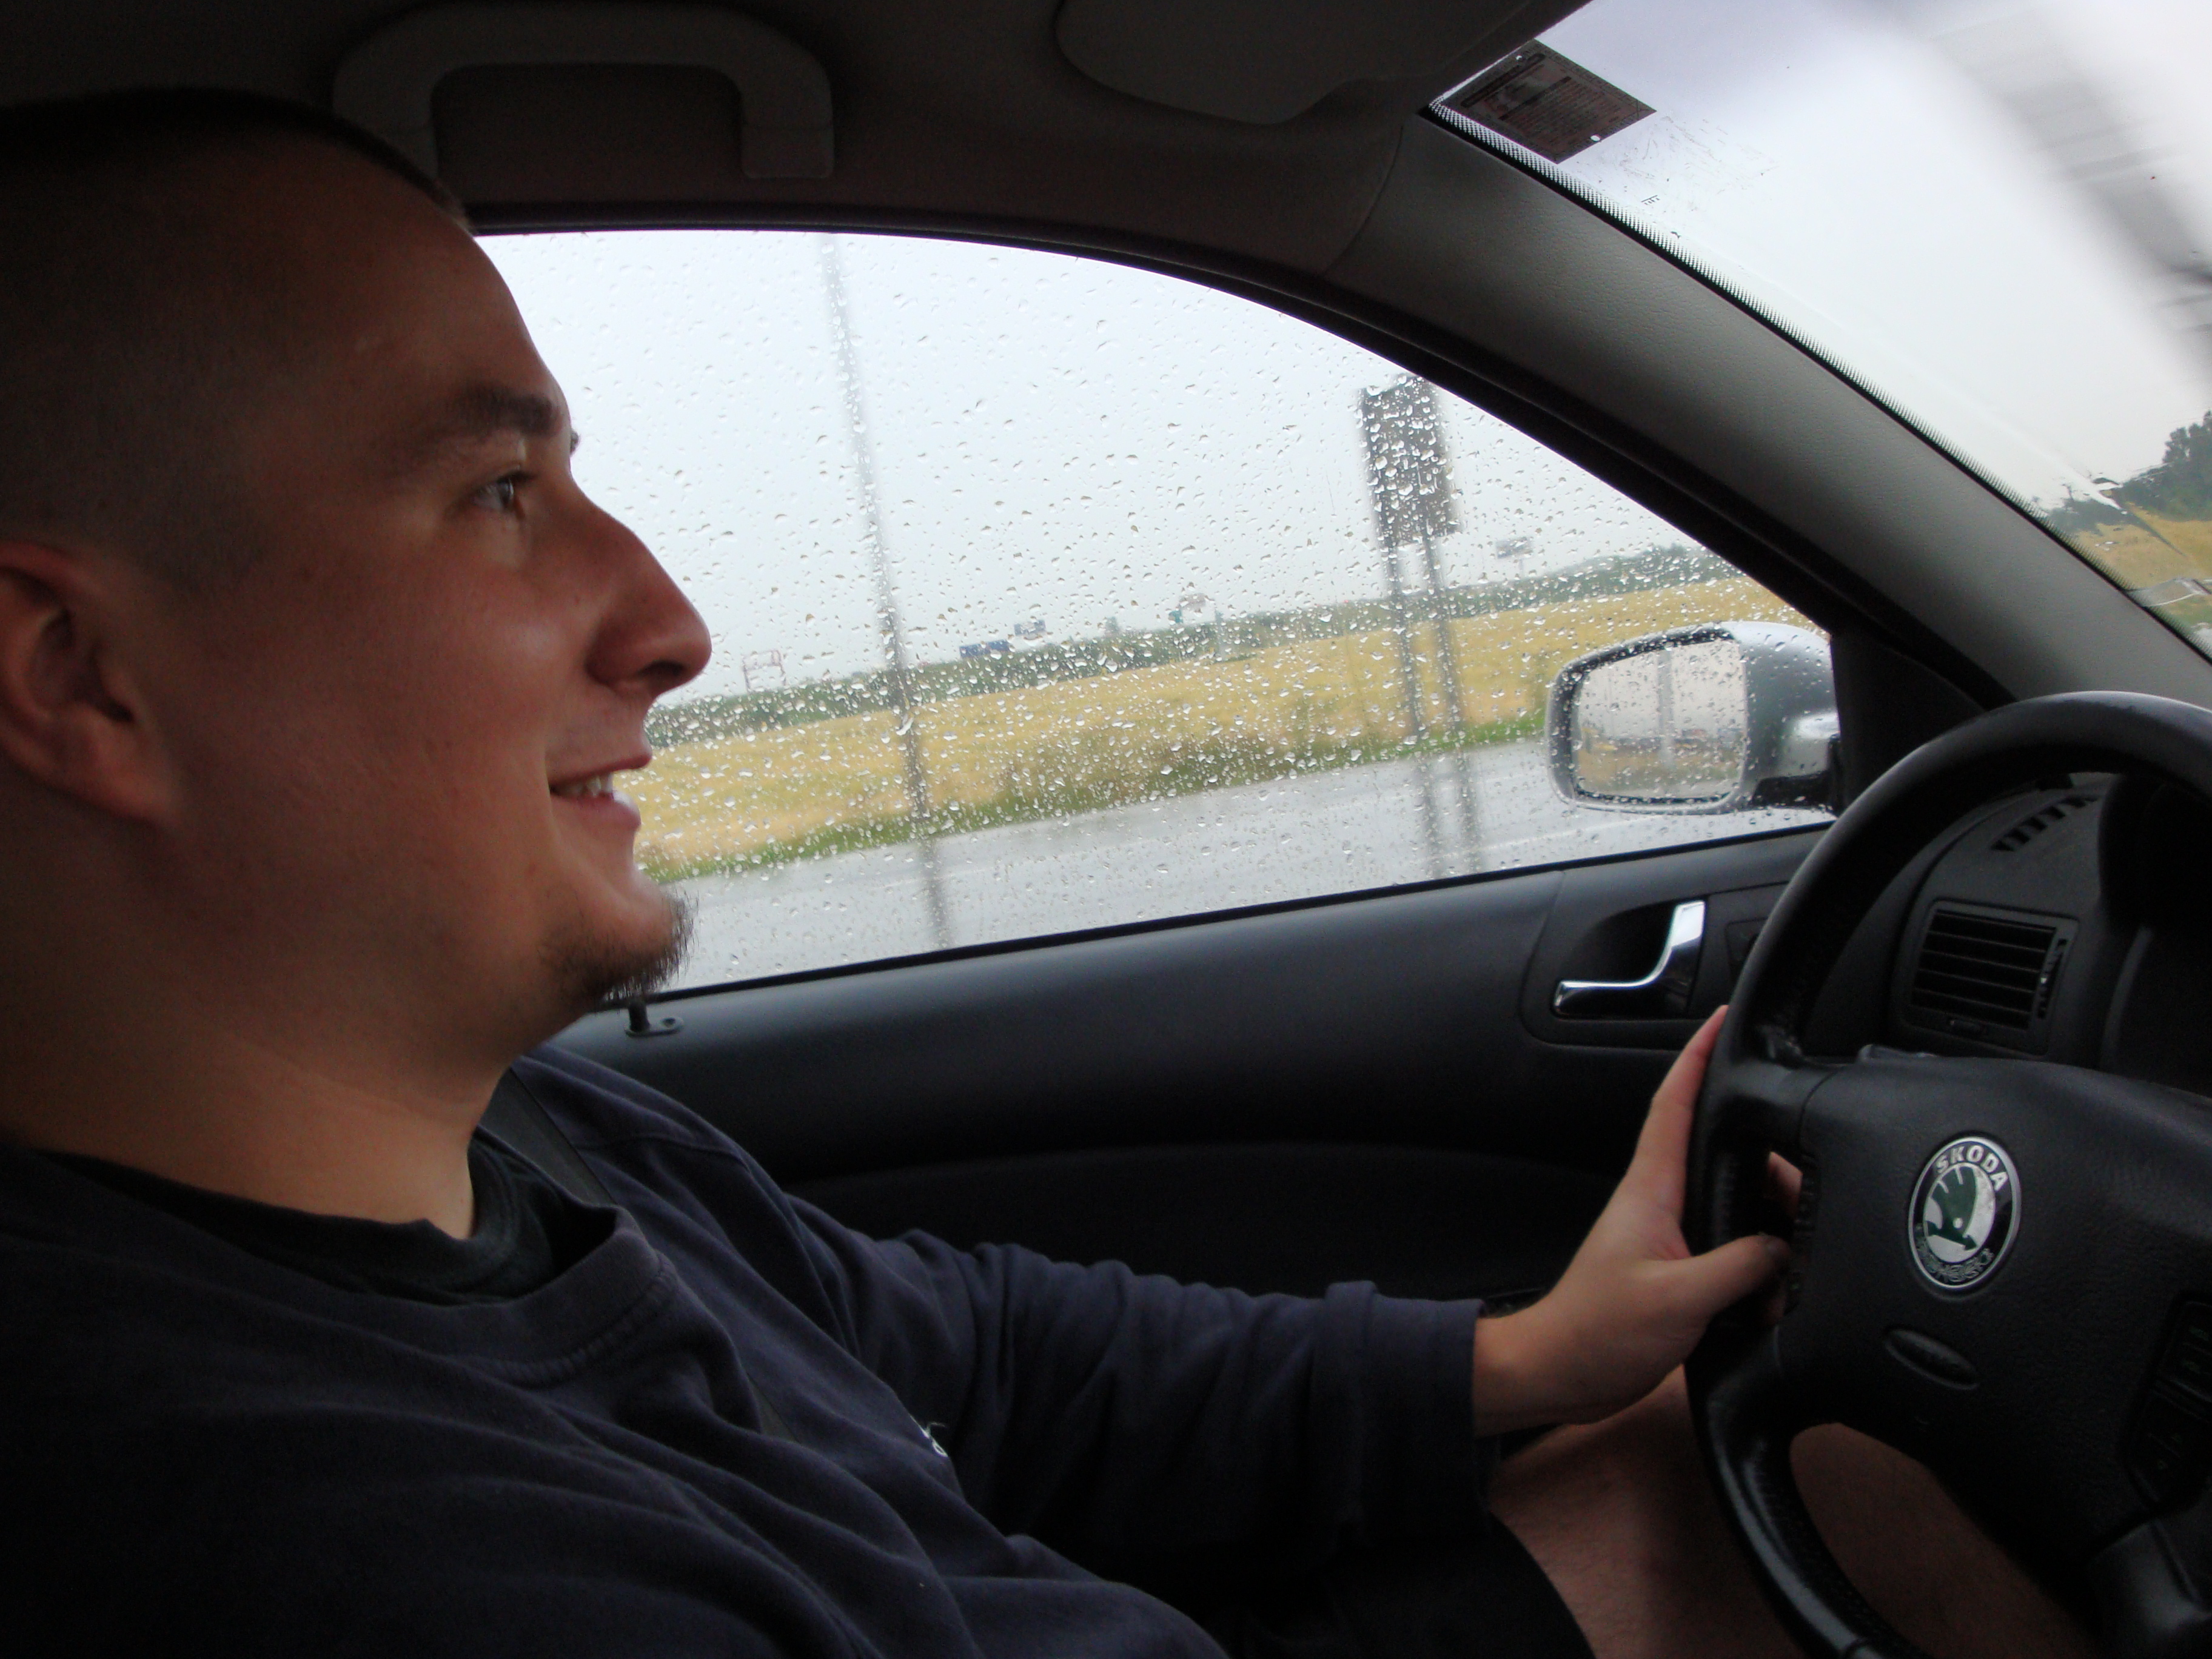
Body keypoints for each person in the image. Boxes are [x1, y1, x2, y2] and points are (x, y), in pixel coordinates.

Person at [0, 90, 2091, 1658]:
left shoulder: (518, 1148)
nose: (667, 622)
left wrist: (1526, 1359)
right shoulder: (316, 1546)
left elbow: (978, 1361)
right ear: (78, 678)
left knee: (1802, 1472)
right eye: (497, 491)